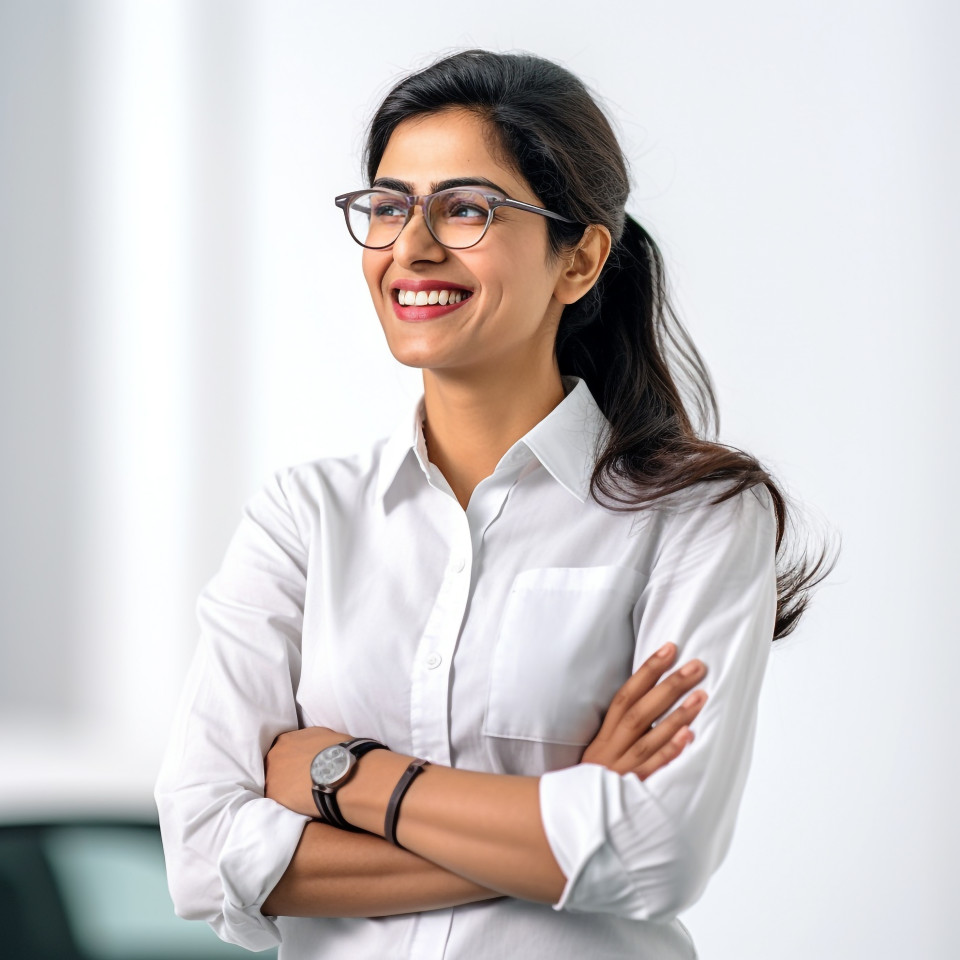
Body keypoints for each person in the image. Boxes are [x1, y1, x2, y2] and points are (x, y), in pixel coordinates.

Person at [155, 49, 831, 959]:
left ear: (581, 259)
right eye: (389, 206)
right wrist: (559, 824)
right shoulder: (304, 517)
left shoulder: (697, 516)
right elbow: (201, 853)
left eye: (467, 208)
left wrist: (345, 778)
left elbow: (659, 851)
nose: (412, 247)